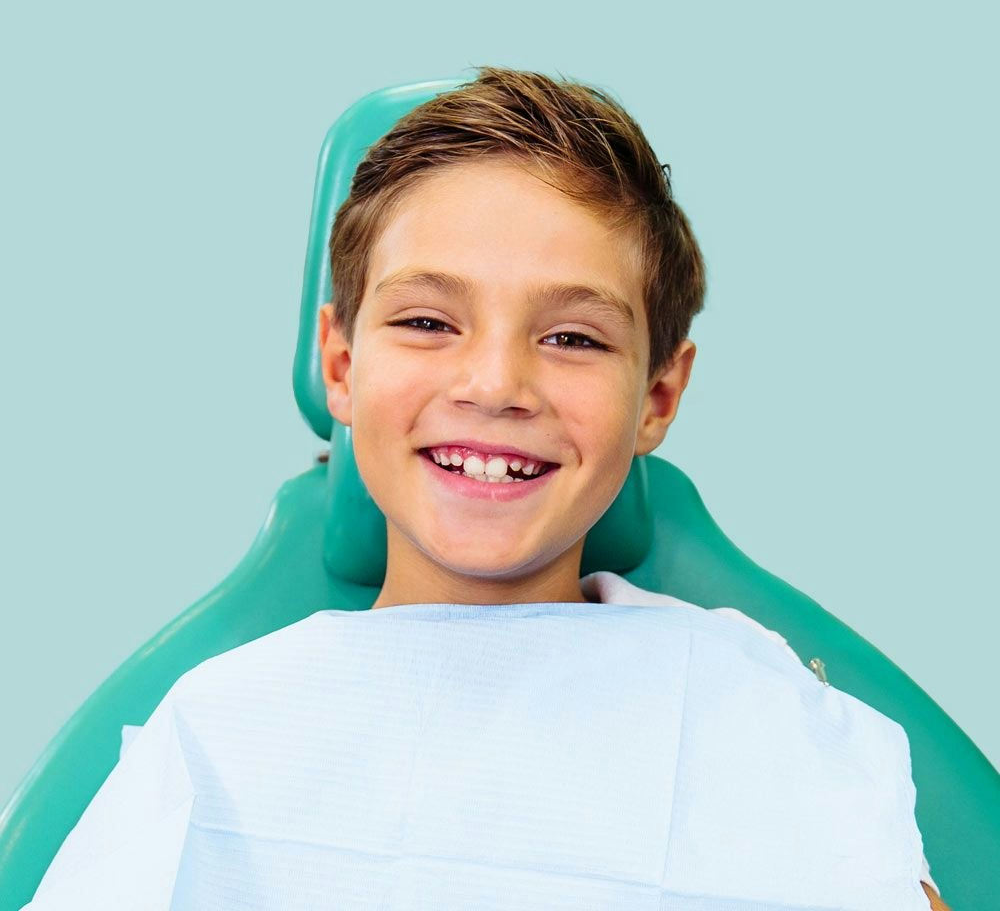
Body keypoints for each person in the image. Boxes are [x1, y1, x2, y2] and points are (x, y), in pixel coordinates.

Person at [21, 66, 950, 910]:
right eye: (428, 321)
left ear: (658, 396)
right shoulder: (213, 737)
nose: (495, 385)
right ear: (340, 363)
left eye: (574, 338)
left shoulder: (764, 713)